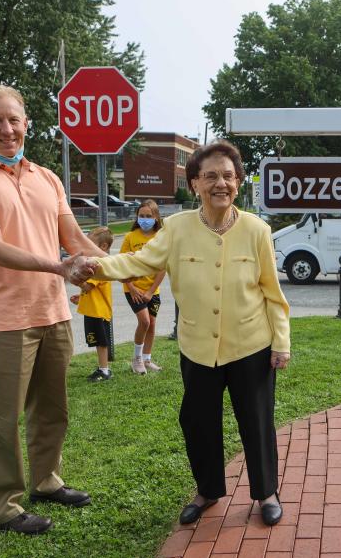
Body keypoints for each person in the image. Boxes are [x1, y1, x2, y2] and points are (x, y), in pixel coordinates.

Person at [83, 140, 291, 527]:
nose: (220, 184)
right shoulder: (177, 228)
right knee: (197, 421)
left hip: (251, 344)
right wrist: (95, 265)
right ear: (195, 183)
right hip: (197, 347)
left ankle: (266, 492)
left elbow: (272, 295)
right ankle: (208, 490)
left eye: (228, 176)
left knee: (257, 421)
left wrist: (281, 342)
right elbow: (138, 259)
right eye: (210, 176)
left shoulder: (257, 231)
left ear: (238, 182)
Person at [0, 84, 103, 535]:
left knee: (52, 409)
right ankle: (1, 507)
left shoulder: (47, 178)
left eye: (14, 120)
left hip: (52, 312)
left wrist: (128, 268)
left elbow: (75, 240)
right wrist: (59, 266)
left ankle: (47, 481)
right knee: (0, 418)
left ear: (27, 122)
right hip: (6, 318)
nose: (7, 129)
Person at [119, 200, 166, 374]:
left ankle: (147, 359)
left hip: (151, 290)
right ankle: (136, 359)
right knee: (144, 321)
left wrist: (151, 291)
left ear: (156, 217)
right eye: (141, 216)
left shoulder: (160, 237)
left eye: (148, 216)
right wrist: (132, 288)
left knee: (152, 324)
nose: (144, 219)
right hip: (134, 289)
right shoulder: (130, 237)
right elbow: (121, 265)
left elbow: (163, 267)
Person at [70, 227, 115, 382]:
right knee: (97, 341)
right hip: (93, 310)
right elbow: (91, 291)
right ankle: (102, 367)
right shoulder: (95, 265)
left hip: (99, 312)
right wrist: (81, 298)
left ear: (102, 247)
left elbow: (88, 286)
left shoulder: (99, 266)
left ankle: (105, 371)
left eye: (90, 244)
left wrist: (74, 278)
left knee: (101, 342)